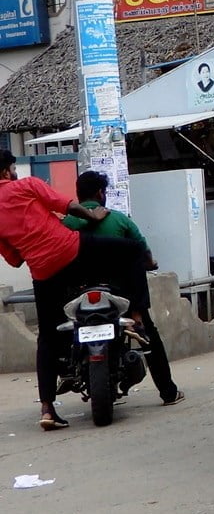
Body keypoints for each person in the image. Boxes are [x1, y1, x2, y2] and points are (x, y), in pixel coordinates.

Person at [0, 151, 151, 431]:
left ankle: (47, 408)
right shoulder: (27, 185)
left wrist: (28, 239)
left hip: (44, 272)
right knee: (133, 251)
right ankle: (138, 317)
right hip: (72, 251)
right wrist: (93, 216)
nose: (14, 172)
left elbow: (14, 258)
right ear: (7, 172)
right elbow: (68, 206)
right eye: (12, 168)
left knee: (47, 337)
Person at [62, 171, 181, 407]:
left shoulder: (66, 223)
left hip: (77, 294)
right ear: (100, 193)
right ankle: (168, 392)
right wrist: (149, 264)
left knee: (57, 334)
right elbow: (143, 252)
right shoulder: (119, 220)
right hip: (121, 296)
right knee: (149, 336)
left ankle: (60, 373)